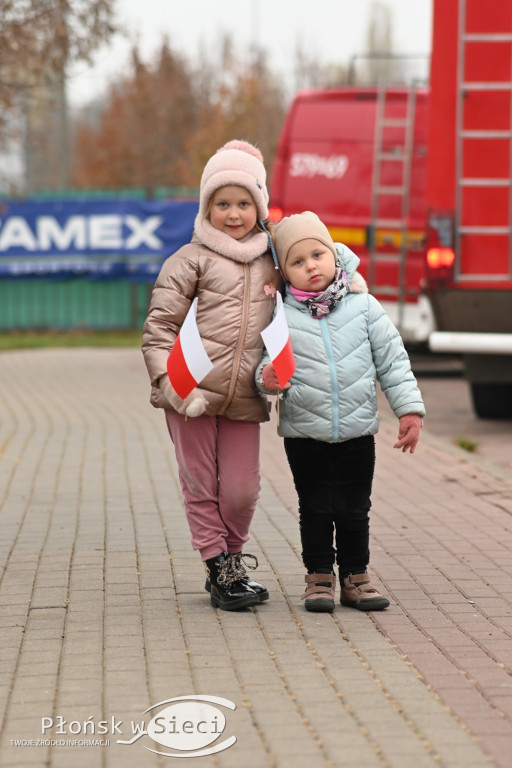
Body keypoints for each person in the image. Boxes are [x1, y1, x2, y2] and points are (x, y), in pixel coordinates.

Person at [256, 212, 425, 613]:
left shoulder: (364, 307)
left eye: (317, 254)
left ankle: (355, 576)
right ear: (285, 272)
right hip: (304, 432)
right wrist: (267, 379)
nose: (310, 266)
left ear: (334, 255)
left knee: (354, 507)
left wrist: (409, 411)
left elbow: (393, 362)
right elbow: (266, 366)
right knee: (314, 507)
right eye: (297, 262)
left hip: (357, 431)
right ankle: (318, 578)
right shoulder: (281, 316)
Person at [142, 140, 282, 611]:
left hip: (245, 396)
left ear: (259, 206)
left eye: (244, 203)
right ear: (208, 207)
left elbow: (318, 269)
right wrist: (170, 384)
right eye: (223, 203)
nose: (234, 213)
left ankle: (234, 556)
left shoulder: (273, 261)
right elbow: (159, 328)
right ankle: (220, 567)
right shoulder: (188, 260)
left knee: (241, 491)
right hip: (192, 394)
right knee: (201, 482)